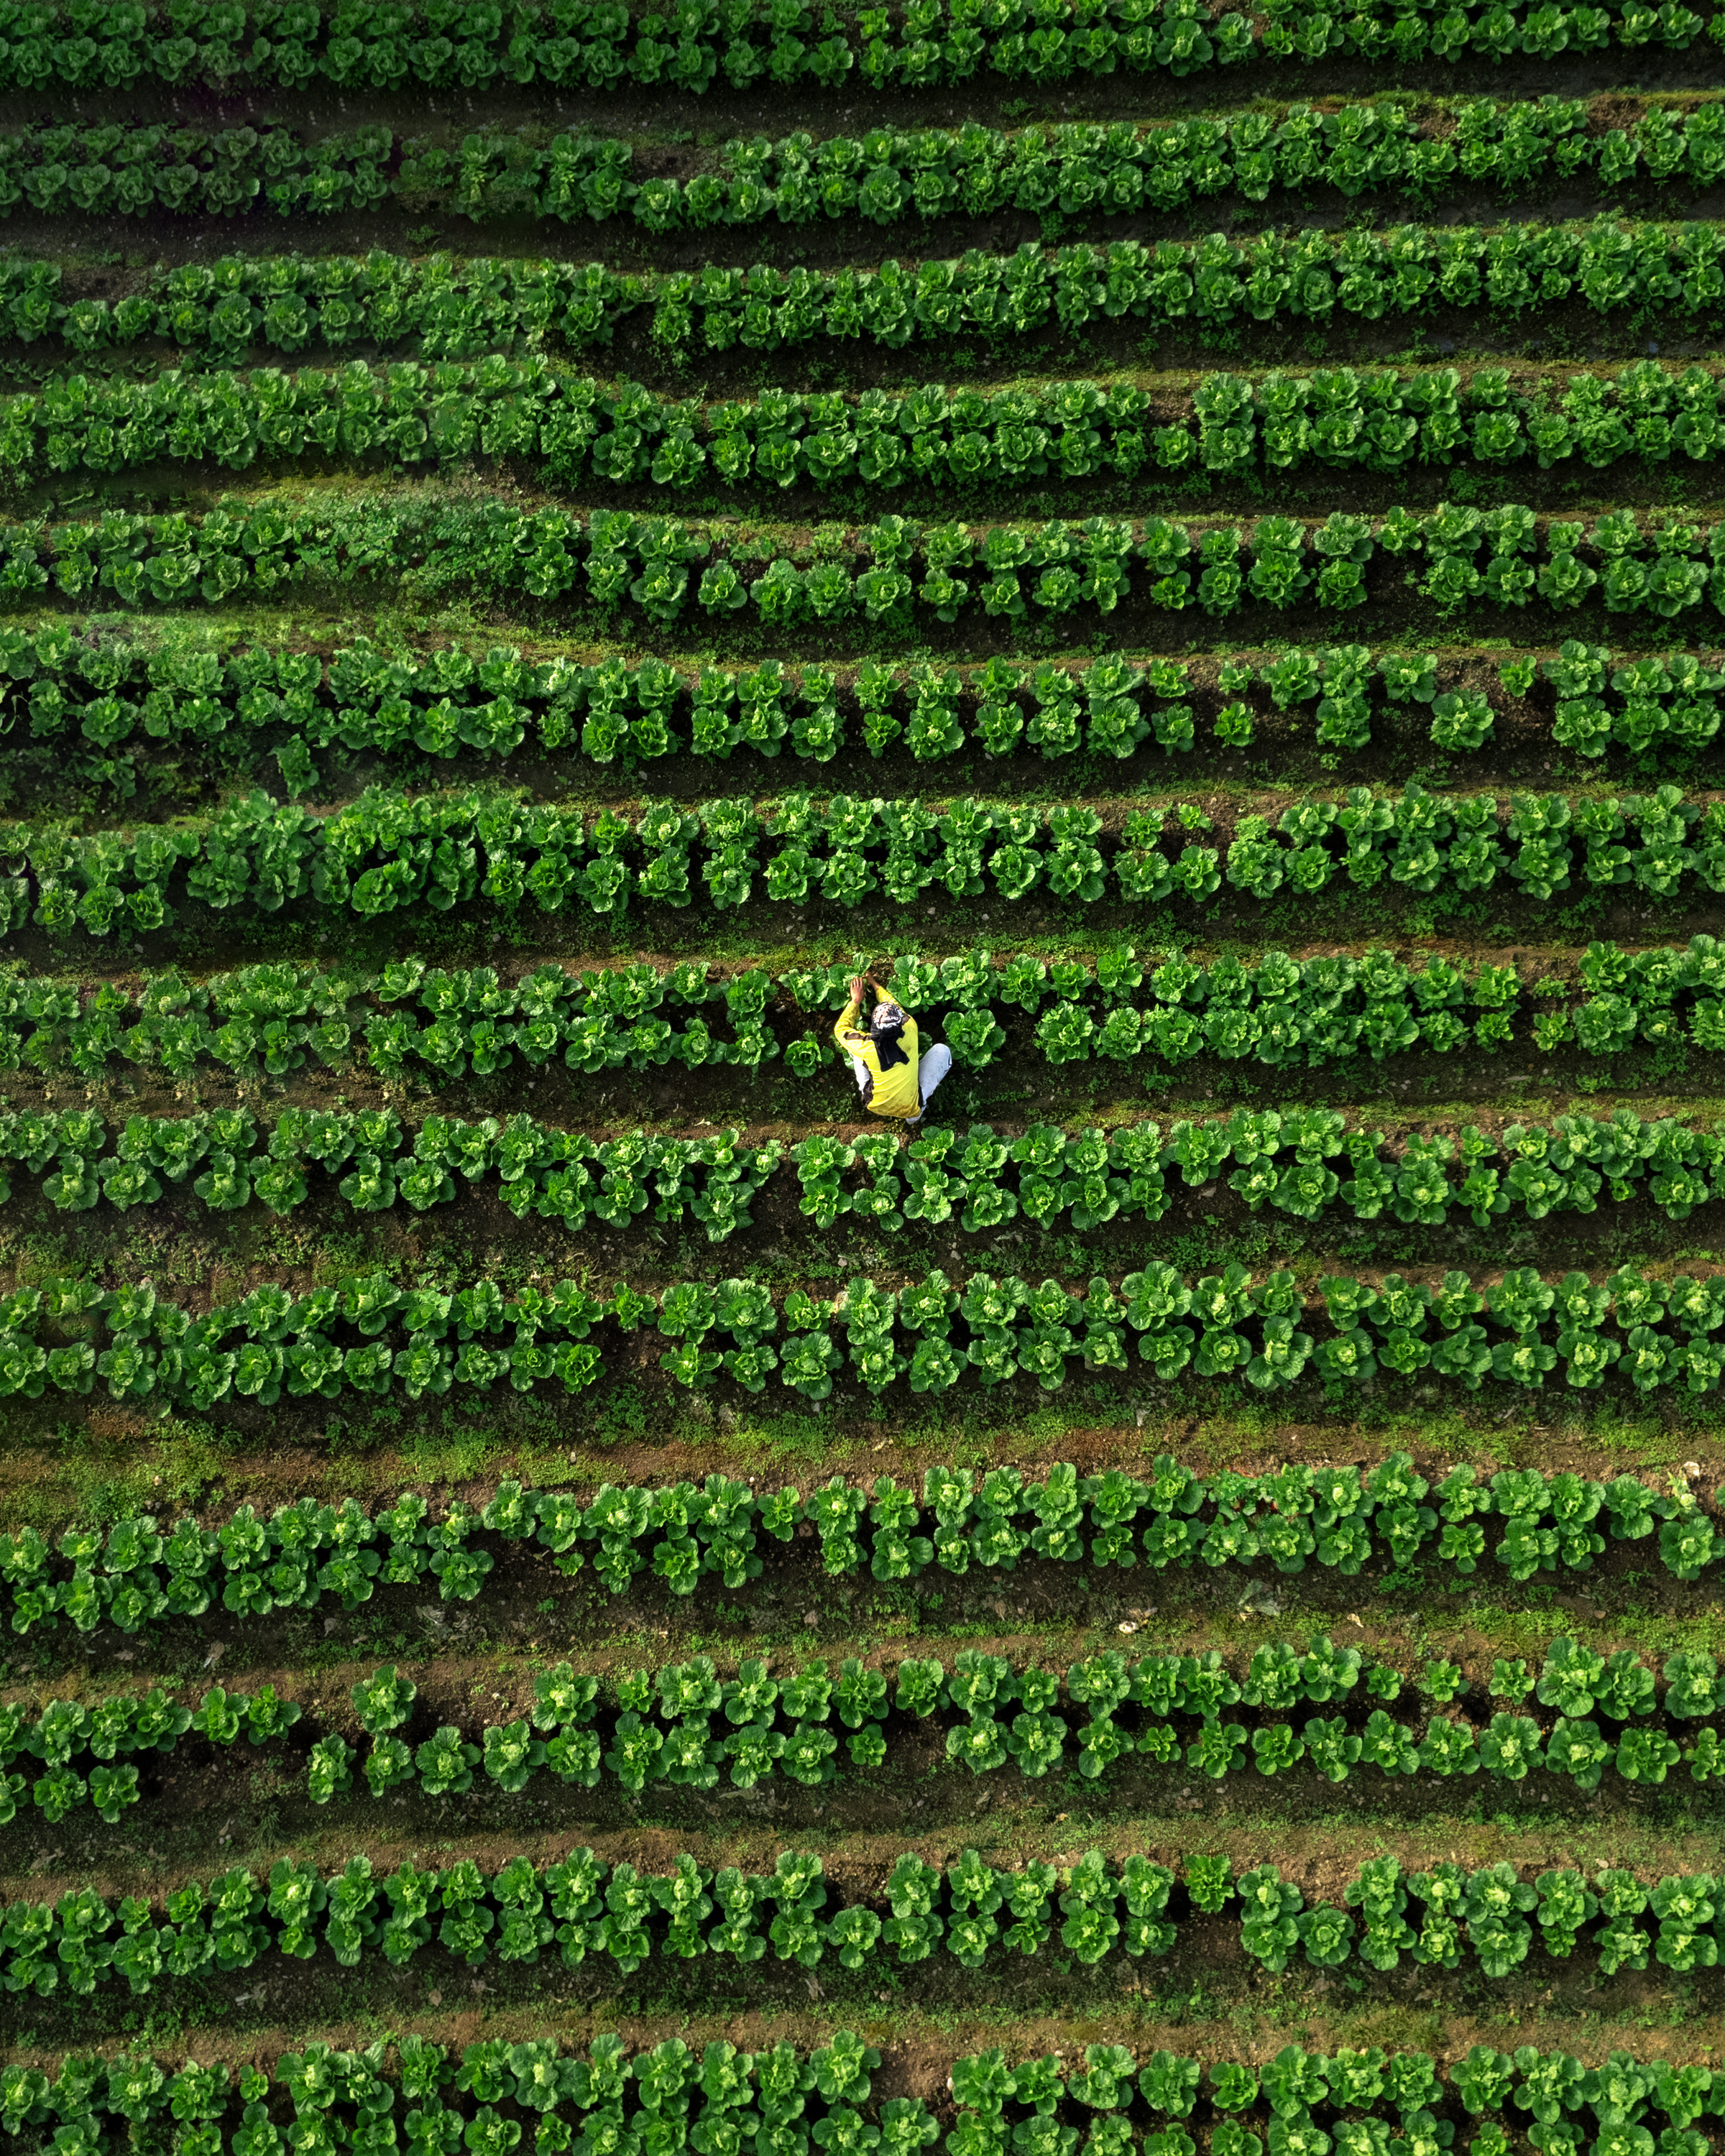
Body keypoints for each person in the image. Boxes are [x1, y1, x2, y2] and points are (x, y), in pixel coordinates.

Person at [833, 971, 952, 1125]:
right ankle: (914, 1118)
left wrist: (856, 1001)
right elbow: (895, 1006)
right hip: (909, 1106)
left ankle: (880, 1097)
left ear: (875, 1028)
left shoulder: (867, 1047)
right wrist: (876, 986)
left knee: (856, 1052)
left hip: (876, 1105)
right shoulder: (910, 1026)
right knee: (943, 1050)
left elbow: (841, 1029)